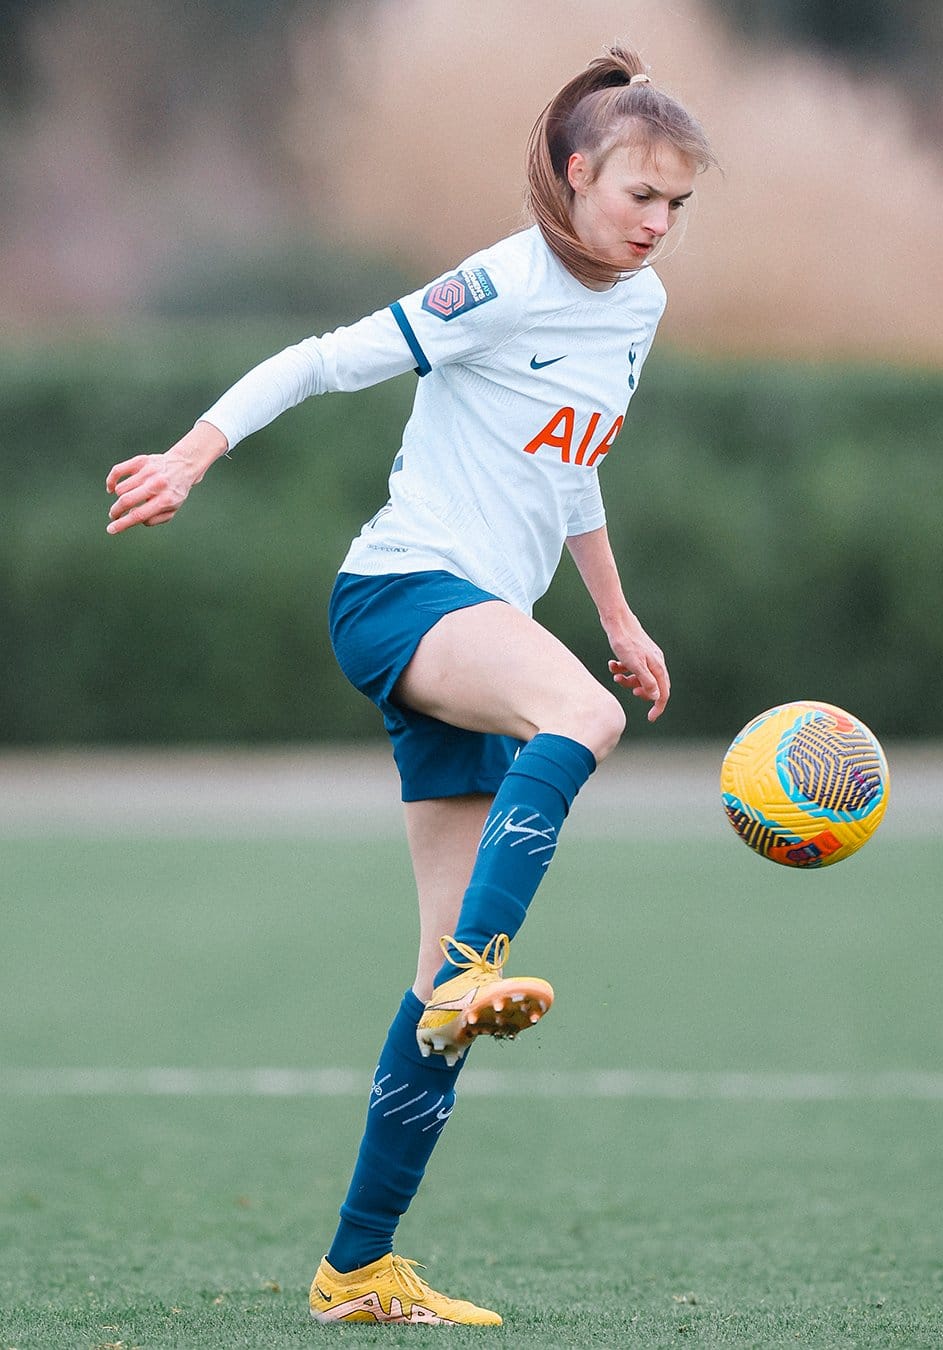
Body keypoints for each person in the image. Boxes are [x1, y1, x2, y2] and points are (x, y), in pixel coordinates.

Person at [106, 44, 714, 1328]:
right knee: (583, 723)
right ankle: (481, 961)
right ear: (575, 172)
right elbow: (326, 357)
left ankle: (356, 1267)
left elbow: (572, 462)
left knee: (438, 993)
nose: (658, 225)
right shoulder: (506, 277)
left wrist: (616, 610)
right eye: (639, 197)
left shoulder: (638, 309)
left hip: (482, 615)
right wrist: (193, 450)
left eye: (678, 206)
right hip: (403, 593)